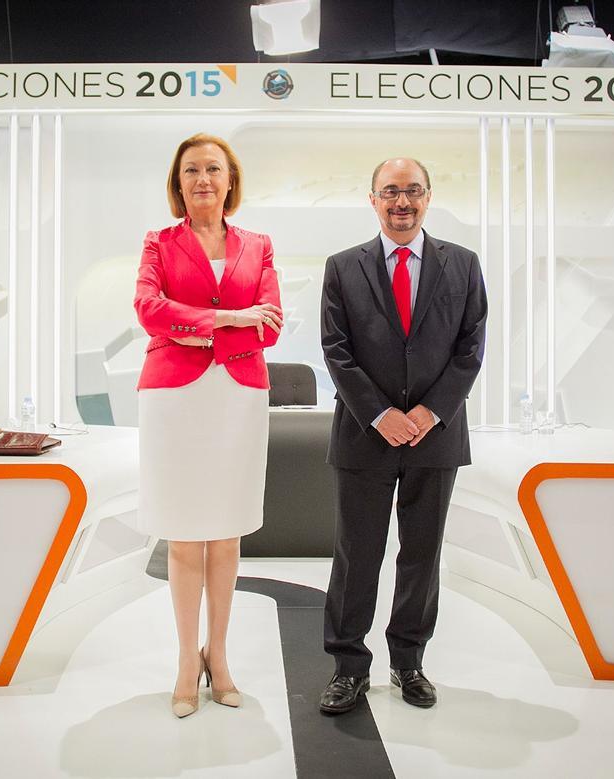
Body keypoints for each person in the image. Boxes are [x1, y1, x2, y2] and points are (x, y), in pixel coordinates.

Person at [318, 157, 487, 714]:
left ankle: (408, 661)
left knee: (421, 555)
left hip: (434, 438)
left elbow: (470, 348)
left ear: (429, 197)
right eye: (390, 191)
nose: (402, 201)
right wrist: (380, 414)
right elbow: (337, 350)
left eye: (413, 190)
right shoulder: (343, 267)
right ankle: (348, 668)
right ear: (372, 200)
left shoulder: (463, 265)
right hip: (366, 437)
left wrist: (431, 412)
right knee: (356, 554)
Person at [133, 133, 284, 718]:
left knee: (226, 532)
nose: (202, 178)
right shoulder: (159, 242)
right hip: (175, 398)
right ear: (178, 183)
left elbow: (269, 326)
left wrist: (191, 324)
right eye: (191, 170)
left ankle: (217, 657)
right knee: (183, 533)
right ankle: (182, 661)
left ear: (230, 180)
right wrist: (228, 317)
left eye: (213, 169)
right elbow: (149, 309)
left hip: (238, 397)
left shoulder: (259, 245)